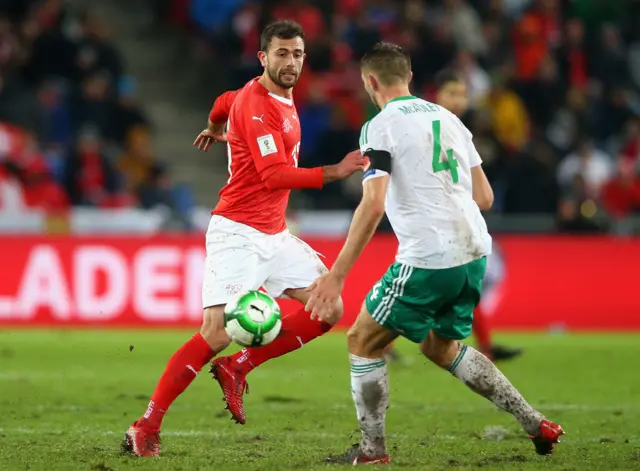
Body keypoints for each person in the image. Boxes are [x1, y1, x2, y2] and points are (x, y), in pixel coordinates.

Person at [305, 42, 563, 465]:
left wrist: (336, 276)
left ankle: (372, 451)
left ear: (371, 82)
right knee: (439, 347)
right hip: (475, 250)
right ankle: (536, 422)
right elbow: (485, 195)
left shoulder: (380, 125)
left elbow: (372, 204)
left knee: (361, 340)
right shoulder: (449, 119)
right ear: (408, 77)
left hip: (430, 255)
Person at [121, 20, 366, 457]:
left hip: (274, 233)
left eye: (297, 54)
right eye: (282, 54)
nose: (290, 62)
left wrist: (216, 125)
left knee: (328, 305)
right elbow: (274, 176)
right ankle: (146, 426)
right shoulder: (258, 104)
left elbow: (221, 102)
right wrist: (335, 171)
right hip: (238, 232)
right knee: (215, 333)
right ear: (263, 57)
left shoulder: (257, 96)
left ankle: (239, 366)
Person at [383, 70, 523, 363]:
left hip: (433, 223)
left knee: (439, 289)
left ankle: (481, 345)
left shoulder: (432, 126)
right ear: (437, 94)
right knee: (439, 287)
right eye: (452, 93)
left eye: (462, 94)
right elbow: (484, 197)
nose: (458, 100)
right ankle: (384, 341)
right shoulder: (452, 130)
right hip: (435, 224)